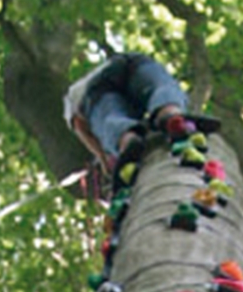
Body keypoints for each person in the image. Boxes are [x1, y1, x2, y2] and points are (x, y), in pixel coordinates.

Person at [63, 53, 218, 196]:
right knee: (160, 86)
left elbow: (79, 125)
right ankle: (170, 114)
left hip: (96, 90)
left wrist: (103, 158)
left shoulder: (71, 97)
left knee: (110, 118)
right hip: (134, 62)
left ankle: (127, 139)